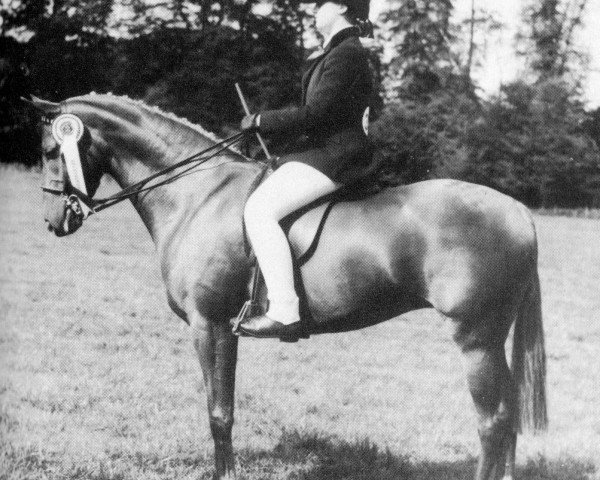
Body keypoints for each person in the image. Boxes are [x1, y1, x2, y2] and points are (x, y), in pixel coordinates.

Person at [237, 0, 375, 338]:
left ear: (342, 7)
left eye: (319, 4)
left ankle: (284, 311)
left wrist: (261, 120)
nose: (313, 11)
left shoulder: (347, 54)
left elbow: (317, 114)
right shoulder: (335, 53)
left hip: (339, 156)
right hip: (325, 151)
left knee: (259, 210)